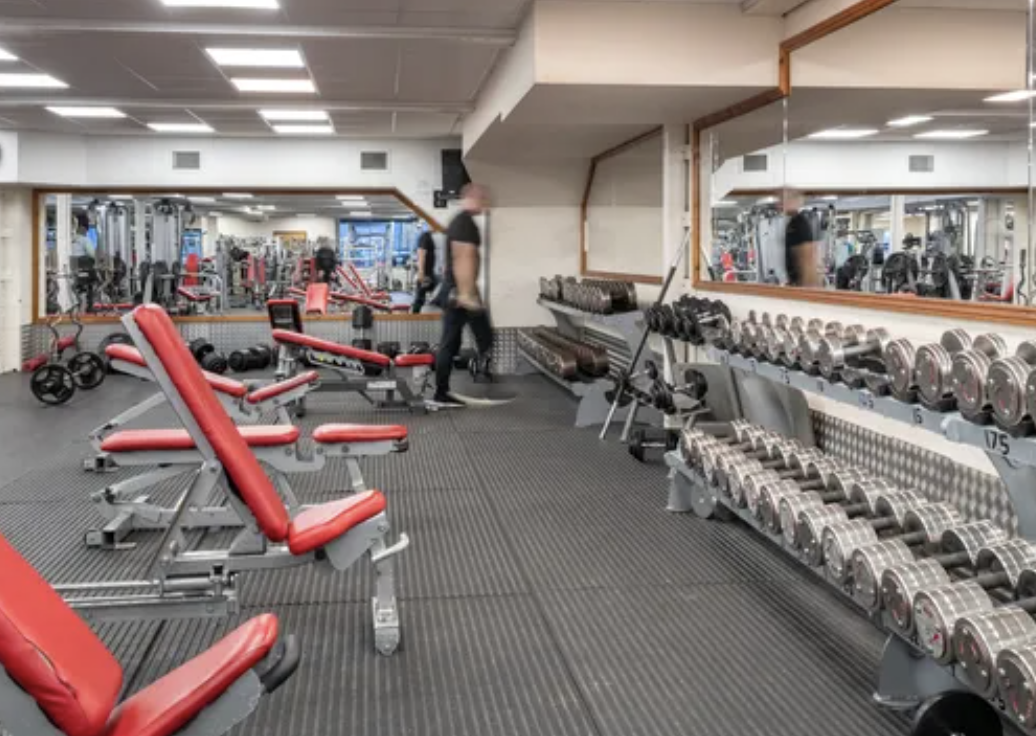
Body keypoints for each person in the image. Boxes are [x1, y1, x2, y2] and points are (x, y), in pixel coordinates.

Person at [433, 183, 493, 407]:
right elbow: (463, 258)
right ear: (470, 198)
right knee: (470, 339)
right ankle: (441, 393)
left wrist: (472, 293)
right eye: (482, 198)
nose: (484, 203)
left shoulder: (463, 222)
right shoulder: (464, 223)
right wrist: (467, 295)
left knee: (455, 342)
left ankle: (444, 390)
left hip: (459, 291)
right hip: (458, 294)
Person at [783, 190, 823, 288]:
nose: (781, 204)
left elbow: (808, 254)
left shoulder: (800, 222)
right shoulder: (791, 223)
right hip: (795, 280)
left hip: (801, 282)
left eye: (784, 200)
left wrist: (804, 284)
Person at [411, 231, 439, 313]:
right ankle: (414, 316)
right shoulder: (426, 236)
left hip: (434, 273)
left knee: (440, 297)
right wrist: (421, 272)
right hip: (426, 274)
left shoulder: (438, 237)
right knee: (420, 298)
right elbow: (421, 253)